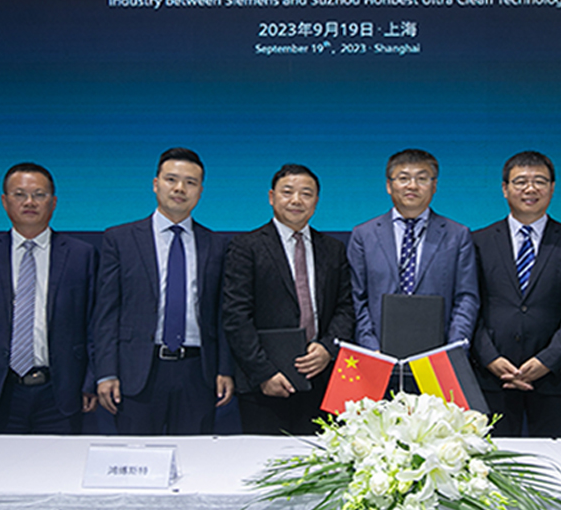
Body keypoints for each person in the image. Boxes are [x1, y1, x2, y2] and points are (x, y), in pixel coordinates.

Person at [92, 148, 235, 435]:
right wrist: (106, 372)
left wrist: (225, 369)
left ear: (200, 191)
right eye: (172, 179)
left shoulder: (217, 245)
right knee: (137, 455)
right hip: (137, 372)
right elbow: (106, 313)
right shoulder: (119, 239)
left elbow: (223, 315)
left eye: (190, 182)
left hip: (198, 373)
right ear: (156, 184)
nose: (180, 188)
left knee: (196, 456)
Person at [0, 163, 98, 433]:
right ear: (4, 201)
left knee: (59, 460)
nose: (29, 202)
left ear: (53, 202)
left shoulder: (81, 255)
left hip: (60, 391)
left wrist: (89, 382)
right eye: (19, 194)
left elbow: (93, 326)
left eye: (39, 195)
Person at [470, 151, 561, 437]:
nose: (530, 189)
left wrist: (547, 361)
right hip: (492, 376)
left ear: (552, 188)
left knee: (552, 459)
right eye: (520, 182)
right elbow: (468, 306)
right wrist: (490, 358)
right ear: (505, 189)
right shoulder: (478, 241)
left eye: (539, 181)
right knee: (493, 458)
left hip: (554, 378)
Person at [222, 163, 354, 435]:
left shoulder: (333, 249)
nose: (296, 200)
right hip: (265, 386)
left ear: (316, 201)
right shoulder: (246, 247)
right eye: (287, 192)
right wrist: (264, 373)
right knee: (265, 459)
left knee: (321, 458)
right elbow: (236, 316)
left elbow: (346, 307)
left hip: (321, 379)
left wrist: (328, 349)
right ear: (272, 197)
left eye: (306, 193)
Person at [347, 148, 479, 353]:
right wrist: (370, 348)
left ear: (434, 186)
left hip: (437, 354)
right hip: (378, 353)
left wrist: (452, 349)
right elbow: (356, 298)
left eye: (422, 179)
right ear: (389, 185)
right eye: (403, 178)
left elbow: (466, 298)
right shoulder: (364, 235)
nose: (412, 186)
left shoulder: (457, 235)